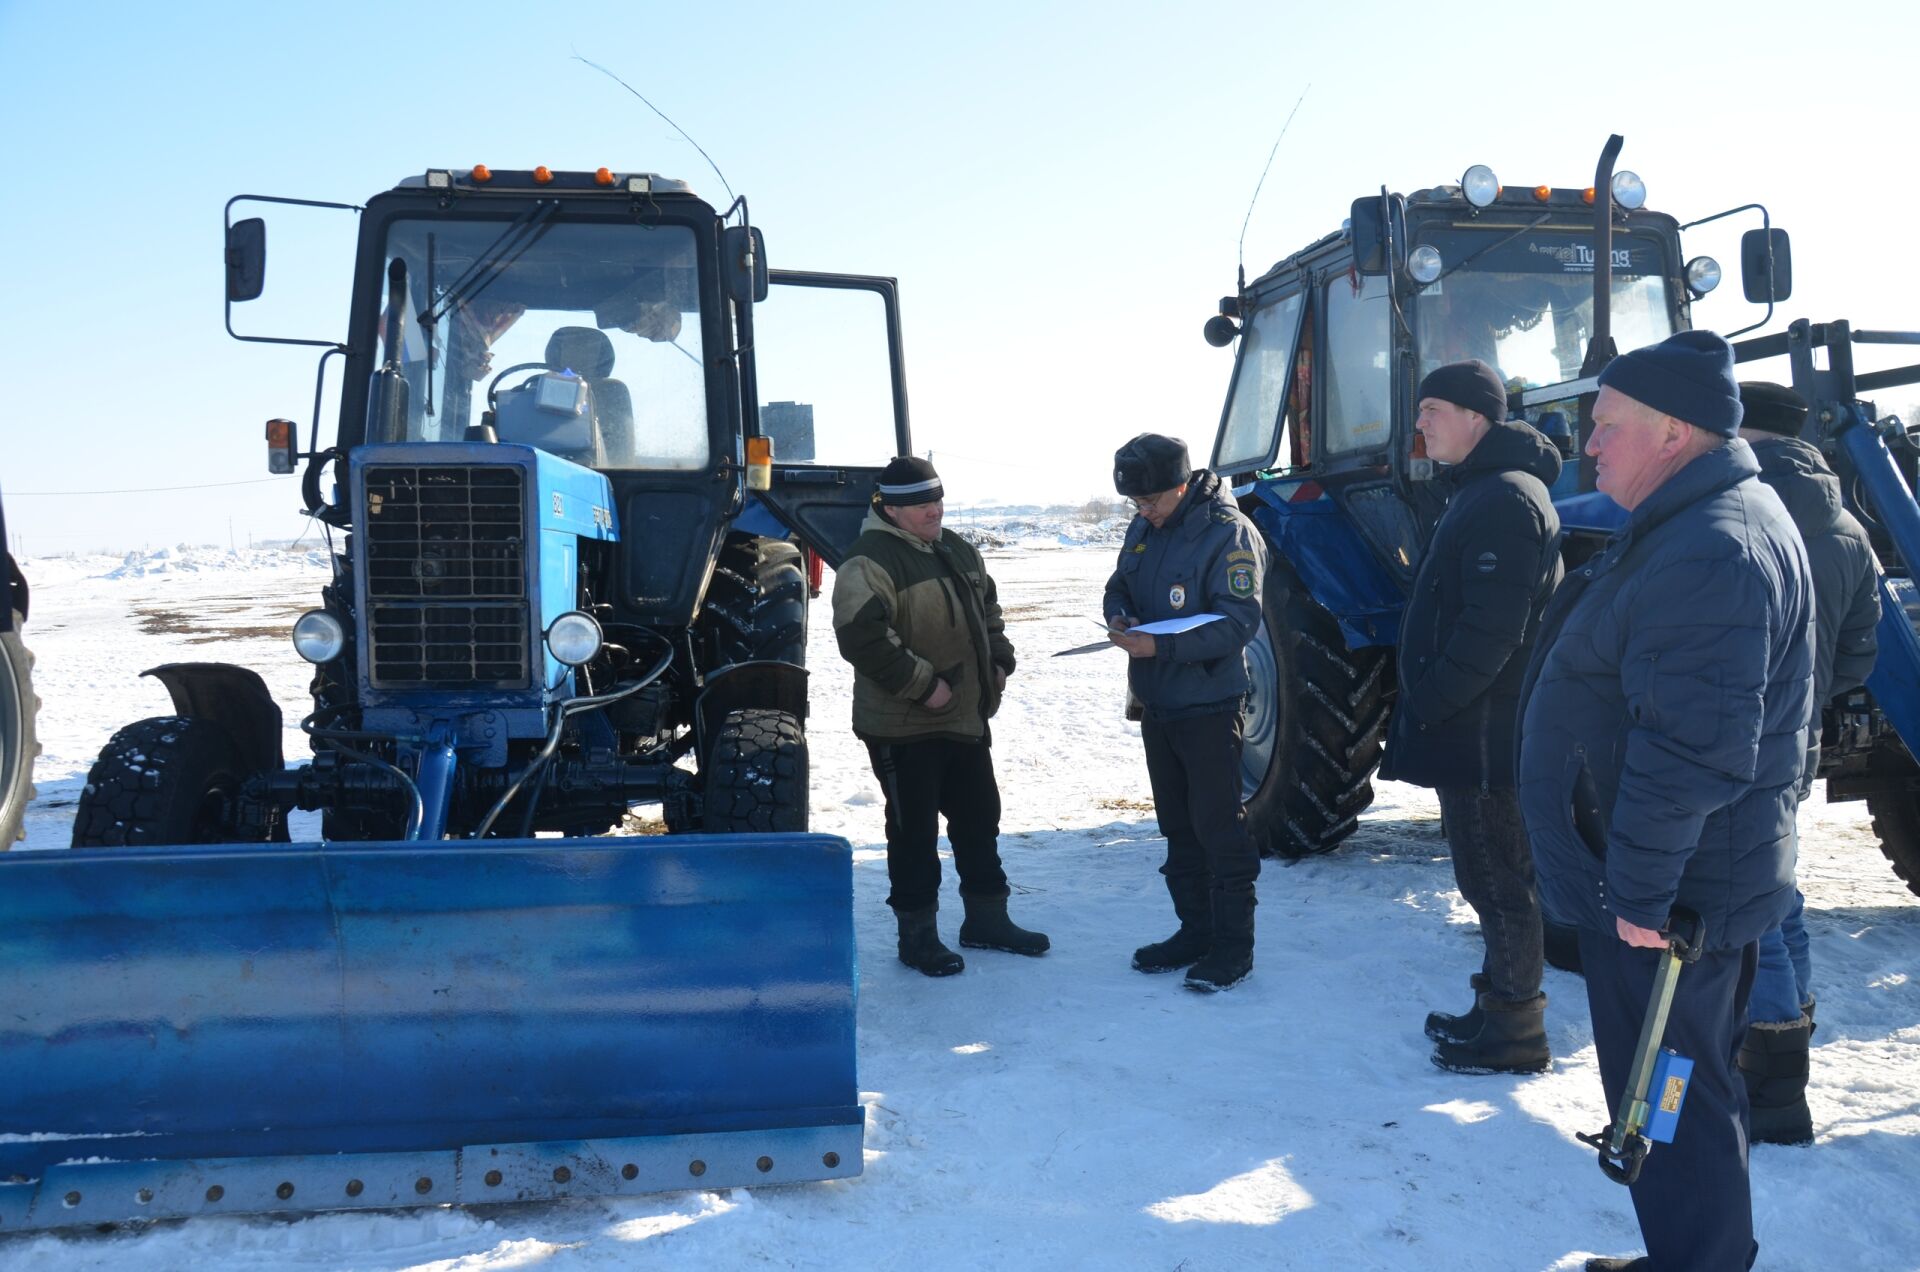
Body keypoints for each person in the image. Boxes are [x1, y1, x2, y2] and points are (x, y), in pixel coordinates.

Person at [1518, 331, 1812, 1272]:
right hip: (1679, 886)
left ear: (1674, 433)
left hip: (1667, 903)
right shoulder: (1700, 520)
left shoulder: (1710, 548)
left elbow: (1691, 749)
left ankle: (1699, 1262)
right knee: (1683, 1087)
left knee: (1667, 1092)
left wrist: (1638, 897)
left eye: (1606, 427)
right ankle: (1696, 1257)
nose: (1590, 446)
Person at [1379, 360, 1563, 1074]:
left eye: (1432, 409)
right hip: (1475, 727)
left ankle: (1516, 1030)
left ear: (1476, 417)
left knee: (1498, 880)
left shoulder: (1504, 501)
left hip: (1484, 734)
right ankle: (1497, 1006)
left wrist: (1426, 703)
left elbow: (1493, 632)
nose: (1419, 424)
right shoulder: (1485, 493)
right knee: (1488, 876)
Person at [831, 456, 1048, 976]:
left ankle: (987, 920)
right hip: (904, 727)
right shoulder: (868, 560)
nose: (934, 510)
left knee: (979, 820)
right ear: (890, 508)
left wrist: (999, 660)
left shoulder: (957, 549)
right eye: (920, 504)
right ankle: (918, 937)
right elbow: (861, 638)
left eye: (937, 499)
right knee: (913, 833)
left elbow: (988, 612)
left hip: (966, 719)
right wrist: (923, 685)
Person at [1734, 380, 1880, 1145]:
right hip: (1800, 732)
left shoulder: (1747, 511)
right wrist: (1817, 690)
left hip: (1738, 731)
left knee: (1751, 896)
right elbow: (1863, 648)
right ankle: (1792, 1026)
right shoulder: (1848, 524)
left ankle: (1774, 1079)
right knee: (1778, 880)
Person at [1102, 434, 1267, 992]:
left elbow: (1238, 621)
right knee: (1177, 825)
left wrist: (1163, 648)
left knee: (1218, 824)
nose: (1142, 512)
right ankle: (1194, 930)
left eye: (1150, 501)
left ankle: (1232, 947)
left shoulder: (1227, 532)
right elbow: (1119, 584)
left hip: (1208, 703)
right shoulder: (1146, 526)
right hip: (1159, 702)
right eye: (1136, 505)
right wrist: (1120, 616)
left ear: (1181, 484)